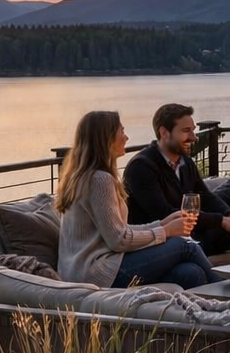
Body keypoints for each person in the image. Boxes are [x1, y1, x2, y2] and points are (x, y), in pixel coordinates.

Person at [55, 110, 214, 289]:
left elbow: (117, 230)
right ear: (106, 138)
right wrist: (167, 231)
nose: (126, 137)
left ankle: (207, 305)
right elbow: (118, 240)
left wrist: (162, 223)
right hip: (96, 273)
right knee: (185, 245)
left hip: (85, 270)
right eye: (122, 131)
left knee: (191, 273)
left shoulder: (85, 177)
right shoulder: (99, 180)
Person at [123, 102, 230, 260]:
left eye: (193, 130)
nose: (194, 137)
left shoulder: (185, 162)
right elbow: (164, 213)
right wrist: (221, 221)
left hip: (193, 232)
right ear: (164, 132)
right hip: (162, 241)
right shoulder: (141, 167)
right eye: (186, 131)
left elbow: (206, 197)